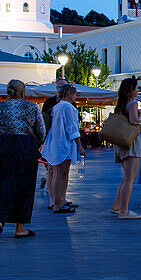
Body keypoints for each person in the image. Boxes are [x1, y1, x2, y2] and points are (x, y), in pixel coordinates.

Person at [0, 79, 48, 240]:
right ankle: (20, 228)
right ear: (23, 92)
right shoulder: (32, 107)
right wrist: (35, 142)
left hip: (0, 146)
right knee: (23, 186)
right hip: (24, 146)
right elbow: (41, 131)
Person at [41, 84, 84, 213]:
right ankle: (58, 204)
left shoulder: (57, 107)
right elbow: (72, 129)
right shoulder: (68, 107)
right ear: (70, 94)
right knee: (61, 175)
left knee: (56, 174)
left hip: (54, 143)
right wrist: (80, 146)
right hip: (63, 145)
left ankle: (57, 201)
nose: (75, 97)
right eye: (74, 94)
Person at [108, 78, 141, 219]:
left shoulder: (121, 104)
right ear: (131, 90)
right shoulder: (133, 103)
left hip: (121, 145)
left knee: (127, 178)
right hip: (131, 145)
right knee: (130, 179)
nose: (138, 90)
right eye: (137, 88)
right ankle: (124, 210)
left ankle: (117, 206)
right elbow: (133, 120)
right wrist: (140, 115)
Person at [39, 77, 70, 198]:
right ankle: (53, 199)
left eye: (63, 86)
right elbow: (44, 121)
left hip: (66, 140)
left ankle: (62, 198)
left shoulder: (71, 103)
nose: (60, 89)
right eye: (58, 86)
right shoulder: (49, 102)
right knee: (51, 170)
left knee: (65, 171)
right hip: (52, 139)